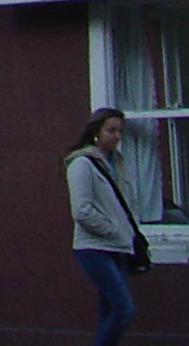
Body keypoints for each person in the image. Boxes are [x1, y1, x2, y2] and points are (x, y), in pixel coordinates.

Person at [65, 108, 139, 346]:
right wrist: (114, 230)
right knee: (123, 307)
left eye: (120, 131)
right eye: (111, 130)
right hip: (94, 247)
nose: (117, 136)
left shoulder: (117, 162)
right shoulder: (81, 164)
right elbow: (82, 211)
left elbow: (126, 203)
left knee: (109, 310)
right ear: (96, 132)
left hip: (120, 247)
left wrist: (129, 232)